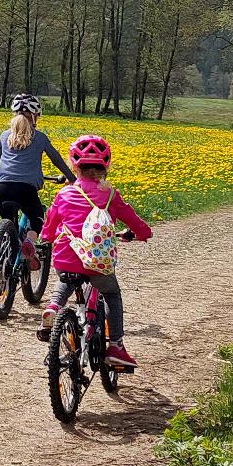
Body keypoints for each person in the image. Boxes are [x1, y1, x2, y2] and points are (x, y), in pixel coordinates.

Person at [38, 133, 151, 368]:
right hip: (96, 262)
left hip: (65, 257)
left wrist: (47, 238)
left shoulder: (64, 194)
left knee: (67, 277)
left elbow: (49, 227)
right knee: (111, 293)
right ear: (105, 166)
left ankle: (53, 308)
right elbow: (134, 222)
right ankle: (116, 346)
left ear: (74, 166)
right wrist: (143, 234)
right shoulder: (110, 195)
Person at [0, 94, 74, 252]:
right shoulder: (40, 137)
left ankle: (5, 259)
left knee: (10, 225)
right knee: (37, 218)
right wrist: (72, 179)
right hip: (26, 189)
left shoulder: (4, 135)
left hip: (1, 187)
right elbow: (57, 160)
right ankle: (29, 241)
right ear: (35, 116)